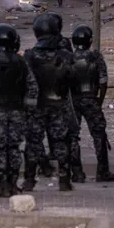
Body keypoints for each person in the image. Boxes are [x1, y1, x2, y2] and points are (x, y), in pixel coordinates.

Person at [0, 24, 38, 197]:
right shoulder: (21, 62)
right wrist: (28, 109)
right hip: (17, 111)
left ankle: (2, 185)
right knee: (13, 148)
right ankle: (13, 184)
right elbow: (33, 87)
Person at [22, 13, 76, 192]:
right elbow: (72, 78)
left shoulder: (29, 56)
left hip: (36, 106)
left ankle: (29, 180)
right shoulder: (66, 56)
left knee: (33, 143)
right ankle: (64, 180)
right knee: (61, 143)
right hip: (59, 104)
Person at [69, 25, 114, 182]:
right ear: (89, 41)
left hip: (74, 101)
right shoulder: (96, 58)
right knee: (99, 135)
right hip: (91, 99)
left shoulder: (69, 59)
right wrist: (99, 100)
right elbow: (103, 81)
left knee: (73, 137)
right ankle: (102, 172)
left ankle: (77, 173)